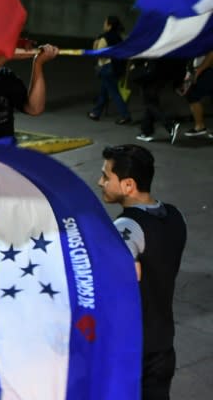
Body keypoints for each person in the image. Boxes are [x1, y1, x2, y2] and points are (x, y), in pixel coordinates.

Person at [97, 144, 186, 400]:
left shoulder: (126, 227)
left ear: (128, 185)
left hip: (131, 346)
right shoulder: (175, 215)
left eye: (106, 176)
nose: (100, 181)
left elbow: (121, 284)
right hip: (163, 341)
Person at [87, 16, 132, 125]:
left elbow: (98, 53)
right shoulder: (119, 37)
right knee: (104, 91)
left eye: (105, 23)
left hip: (107, 68)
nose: (104, 25)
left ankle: (125, 115)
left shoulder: (104, 38)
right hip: (117, 68)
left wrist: (95, 44)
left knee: (114, 93)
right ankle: (95, 113)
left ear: (109, 25)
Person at [130, 58, 181, 144]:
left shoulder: (148, 52)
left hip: (148, 79)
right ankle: (146, 132)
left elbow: (140, 61)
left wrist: (134, 66)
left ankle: (170, 125)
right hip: (158, 78)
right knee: (150, 105)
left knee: (150, 105)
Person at [181, 51, 213, 139]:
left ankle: (200, 126)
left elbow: (211, 53)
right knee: (191, 95)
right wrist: (189, 74)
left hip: (207, 69)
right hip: (199, 69)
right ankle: (200, 126)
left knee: (192, 95)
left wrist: (199, 71)